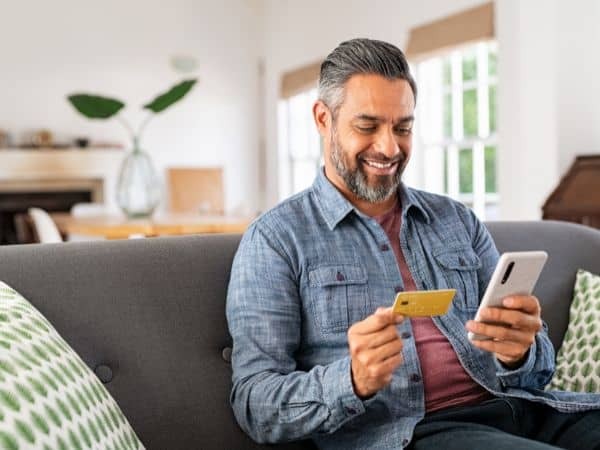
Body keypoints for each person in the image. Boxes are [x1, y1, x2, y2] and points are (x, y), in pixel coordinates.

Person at [226, 38, 600, 450]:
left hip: (522, 408)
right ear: (323, 119)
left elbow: (537, 369)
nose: (389, 147)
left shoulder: (456, 220)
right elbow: (254, 405)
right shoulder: (276, 239)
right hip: (412, 432)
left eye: (402, 128)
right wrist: (351, 381)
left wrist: (520, 352)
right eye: (367, 126)